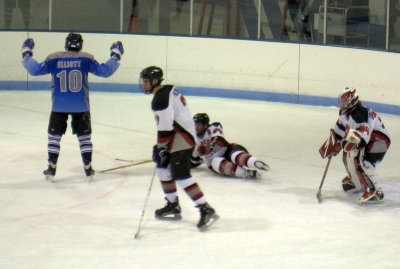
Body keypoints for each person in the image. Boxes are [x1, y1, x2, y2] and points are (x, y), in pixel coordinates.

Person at [21, 32, 124, 181]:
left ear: (66, 44)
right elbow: (105, 71)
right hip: (80, 105)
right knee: (84, 138)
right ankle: (88, 167)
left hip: (59, 105)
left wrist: (26, 53)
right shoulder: (85, 58)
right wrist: (115, 56)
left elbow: (35, 70)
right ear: (80, 45)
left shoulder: (54, 58)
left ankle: (52, 166)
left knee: (54, 138)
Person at [139, 66, 218, 230]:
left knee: (180, 173)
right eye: (143, 81)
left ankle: (205, 208)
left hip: (183, 138)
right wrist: (161, 148)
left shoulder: (160, 100)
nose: (144, 84)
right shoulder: (168, 89)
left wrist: (161, 147)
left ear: (155, 82)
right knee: (162, 167)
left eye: (146, 81)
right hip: (178, 135)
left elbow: (166, 128)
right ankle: (173, 204)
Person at [319, 87, 391, 204]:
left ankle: (374, 190)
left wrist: (350, 142)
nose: (343, 103)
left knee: (362, 160)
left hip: (379, 141)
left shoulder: (359, 113)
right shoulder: (344, 113)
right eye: (342, 101)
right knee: (348, 153)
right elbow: (339, 131)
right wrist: (334, 143)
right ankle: (356, 181)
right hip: (370, 140)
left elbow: (364, 135)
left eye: (345, 101)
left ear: (353, 100)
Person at [191, 113, 270, 179]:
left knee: (235, 155)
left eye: (199, 125)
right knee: (216, 162)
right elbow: (194, 161)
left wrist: (209, 148)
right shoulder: (193, 139)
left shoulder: (214, 127)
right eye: (195, 124)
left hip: (228, 150)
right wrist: (194, 156)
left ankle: (254, 162)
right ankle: (246, 173)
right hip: (214, 162)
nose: (196, 127)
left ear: (205, 125)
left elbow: (220, 141)